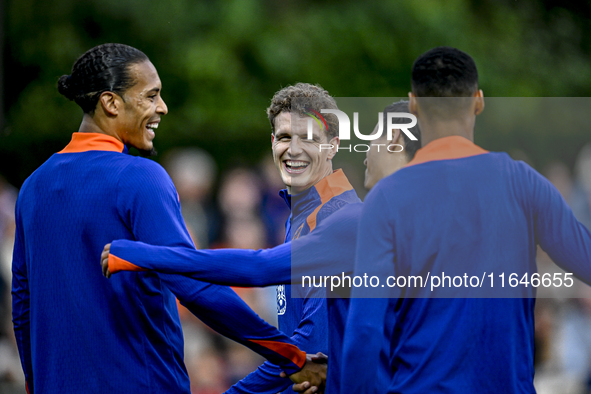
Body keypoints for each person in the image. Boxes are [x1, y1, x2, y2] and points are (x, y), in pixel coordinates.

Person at [11, 43, 324, 394]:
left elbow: (22, 306)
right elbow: (195, 284)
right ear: (111, 103)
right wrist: (290, 356)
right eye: (151, 96)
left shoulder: (33, 186)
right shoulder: (140, 177)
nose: (163, 107)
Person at [102, 100, 421, 393]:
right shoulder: (307, 220)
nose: (366, 153)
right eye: (284, 137)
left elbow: (262, 271)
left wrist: (141, 254)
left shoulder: (347, 219)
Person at [341, 46, 591, 393]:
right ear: (478, 101)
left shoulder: (386, 199)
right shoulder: (522, 181)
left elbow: (365, 331)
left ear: (413, 105)